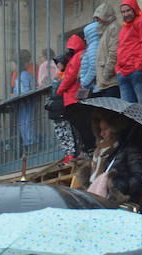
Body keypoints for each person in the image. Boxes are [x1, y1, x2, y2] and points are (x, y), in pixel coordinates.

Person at [84, 109, 142, 207]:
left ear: (115, 128)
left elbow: (140, 179)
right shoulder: (99, 154)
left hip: (127, 206)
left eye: (105, 129)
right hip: (103, 206)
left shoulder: (129, 150)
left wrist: (119, 186)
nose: (102, 134)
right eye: (100, 130)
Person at [116, 0, 142, 108]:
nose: (125, 14)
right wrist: (118, 69)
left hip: (138, 71)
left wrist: (140, 66)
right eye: (123, 12)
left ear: (134, 9)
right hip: (124, 72)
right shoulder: (125, 27)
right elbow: (121, 48)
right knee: (128, 111)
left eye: (128, 10)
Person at [53, 34, 87, 163]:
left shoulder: (75, 58)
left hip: (72, 97)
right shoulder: (81, 56)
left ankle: (83, 150)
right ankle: (83, 150)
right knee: (79, 127)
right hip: (76, 96)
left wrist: (60, 89)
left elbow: (70, 77)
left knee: (79, 127)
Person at [82, 5, 116, 98]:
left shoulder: (93, 46)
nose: (84, 38)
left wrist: (85, 82)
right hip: (103, 83)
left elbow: (93, 66)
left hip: (105, 83)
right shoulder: (100, 39)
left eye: (98, 18)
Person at [96, 7, 123, 98]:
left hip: (112, 81)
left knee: (113, 110)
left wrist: (106, 75)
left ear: (105, 16)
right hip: (106, 83)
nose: (97, 21)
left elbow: (113, 54)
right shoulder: (106, 30)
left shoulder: (114, 28)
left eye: (99, 17)